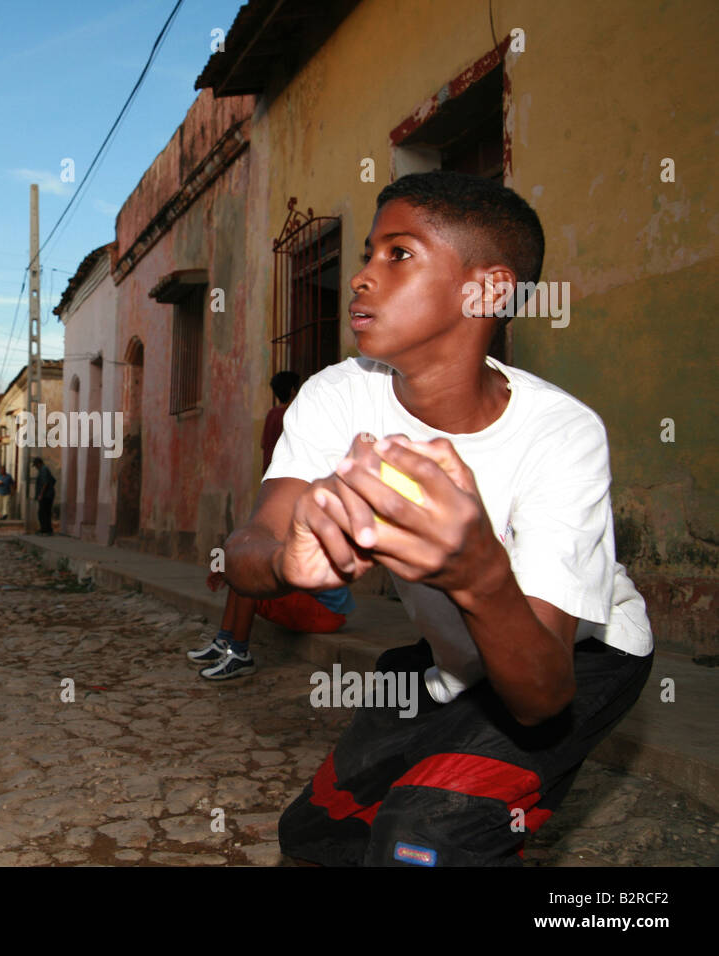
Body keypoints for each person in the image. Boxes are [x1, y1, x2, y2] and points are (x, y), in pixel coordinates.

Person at [223, 170, 653, 866]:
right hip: (456, 658)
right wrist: (282, 560)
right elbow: (248, 548)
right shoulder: (336, 398)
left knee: (423, 842)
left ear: (488, 290)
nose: (361, 277)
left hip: (574, 658)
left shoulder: (562, 434)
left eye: (398, 254)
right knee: (317, 835)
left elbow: (543, 696)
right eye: (365, 254)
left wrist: (480, 572)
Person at [188, 372, 355, 680]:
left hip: (328, 614)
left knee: (249, 570)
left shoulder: (310, 511)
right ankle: (228, 642)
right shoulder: (297, 423)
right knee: (244, 563)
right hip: (311, 601)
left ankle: (237, 648)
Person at [32, 456, 55, 535]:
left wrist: (41, 494)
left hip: (46, 495)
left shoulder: (43, 470)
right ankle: (47, 529)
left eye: (35, 465)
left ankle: (45, 529)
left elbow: (45, 483)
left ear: (39, 464)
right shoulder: (44, 469)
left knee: (42, 512)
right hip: (48, 494)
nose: (36, 467)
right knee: (46, 512)